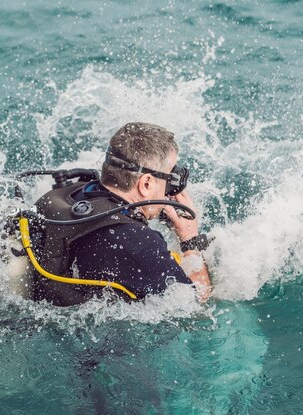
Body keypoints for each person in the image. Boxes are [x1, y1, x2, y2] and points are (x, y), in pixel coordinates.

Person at [27, 122, 211, 305]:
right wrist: (190, 240)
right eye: (170, 177)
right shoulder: (138, 243)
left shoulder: (74, 193)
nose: (171, 188)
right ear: (146, 184)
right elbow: (194, 304)